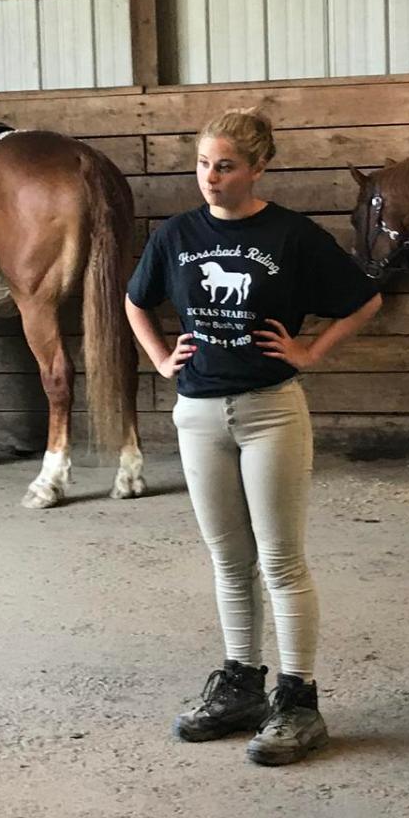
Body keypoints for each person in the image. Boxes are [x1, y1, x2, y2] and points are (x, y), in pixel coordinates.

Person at [126, 109, 382, 765]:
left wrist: (310, 350)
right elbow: (135, 299)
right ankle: (241, 682)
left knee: (281, 560)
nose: (211, 177)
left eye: (226, 165)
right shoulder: (178, 234)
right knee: (228, 559)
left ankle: (298, 698)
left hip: (271, 410)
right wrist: (159, 358)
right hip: (199, 414)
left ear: (258, 168)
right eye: (204, 164)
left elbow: (365, 299)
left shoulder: (291, 235)